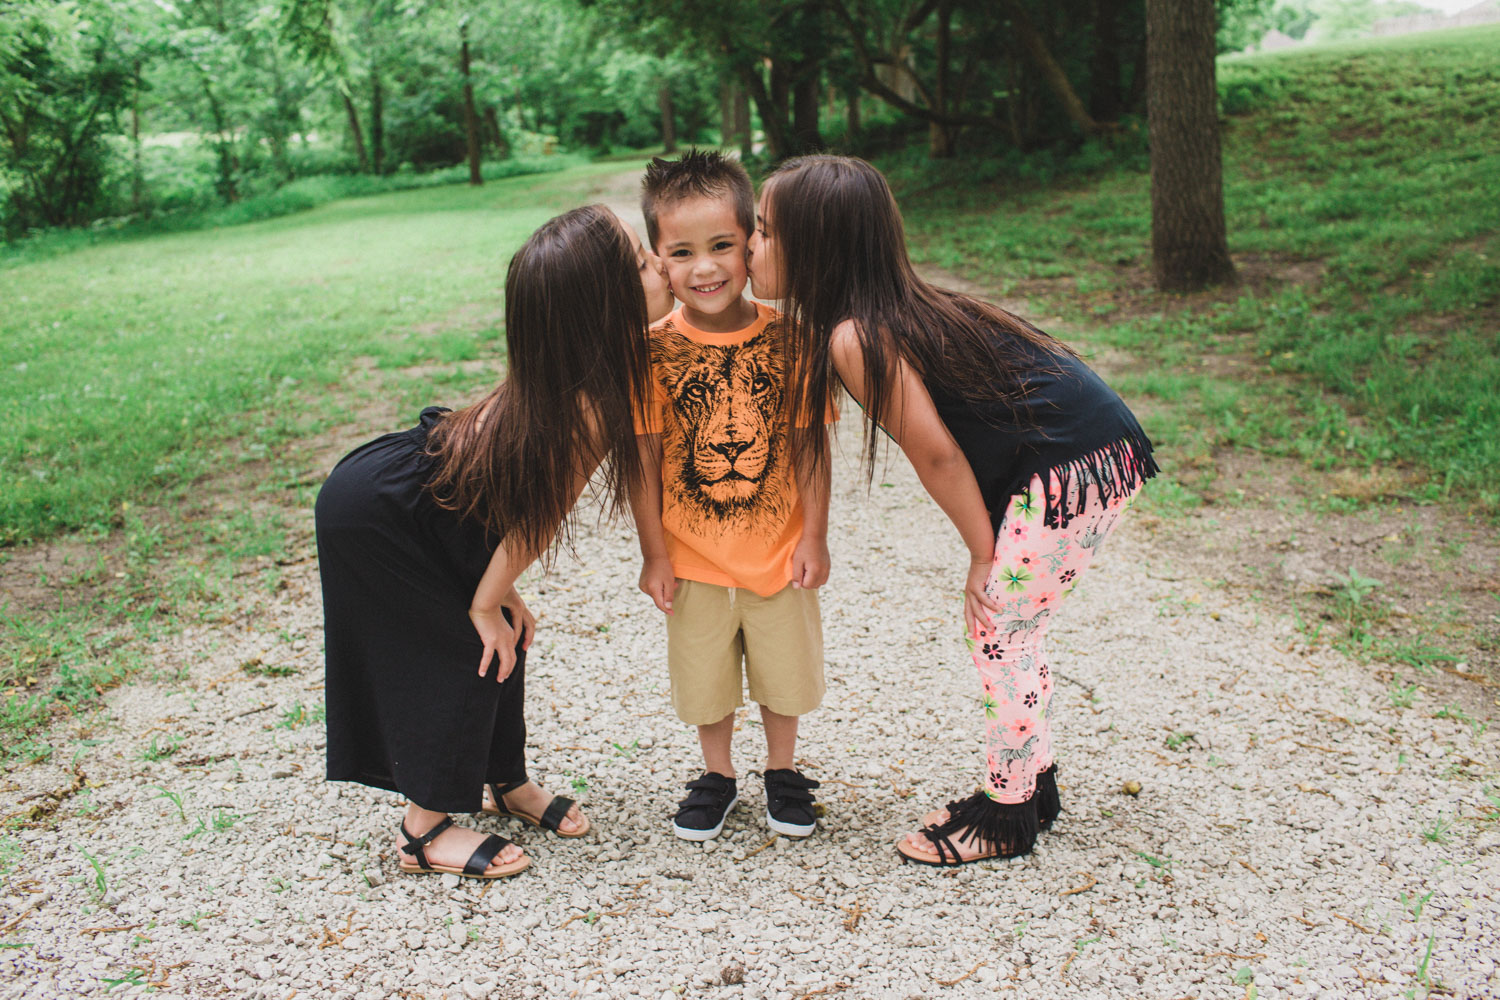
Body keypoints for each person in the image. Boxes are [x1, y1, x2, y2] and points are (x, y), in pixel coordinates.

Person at [748, 155, 1158, 866]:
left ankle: (1008, 814)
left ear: (812, 246)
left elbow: (935, 454)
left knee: (1001, 630)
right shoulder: (883, 313)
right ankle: (1033, 786)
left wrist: (981, 553)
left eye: (760, 231)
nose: (749, 245)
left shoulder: (857, 335)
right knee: (1013, 627)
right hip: (1086, 452)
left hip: (1071, 464)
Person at [315, 205, 674, 879]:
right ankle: (422, 831)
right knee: (463, 648)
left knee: (507, 628)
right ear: (605, 308)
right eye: (641, 263)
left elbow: (505, 515)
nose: (661, 265)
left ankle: (505, 781)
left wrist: (499, 593)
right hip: (382, 514)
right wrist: (485, 601)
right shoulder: (594, 400)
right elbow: (538, 517)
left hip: (437, 509)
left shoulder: (592, 376)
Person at [631, 150, 835, 842]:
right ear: (659, 261)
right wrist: (653, 554)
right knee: (705, 682)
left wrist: (814, 537)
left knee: (785, 676)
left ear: (751, 242)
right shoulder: (650, 351)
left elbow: (811, 445)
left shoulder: (796, 341)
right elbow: (645, 460)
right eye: (682, 252)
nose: (706, 267)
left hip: (778, 554)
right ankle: (716, 775)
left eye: (722, 245)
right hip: (693, 559)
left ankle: (783, 769)